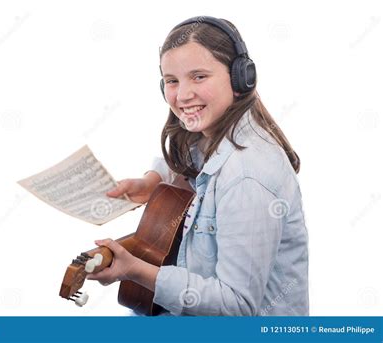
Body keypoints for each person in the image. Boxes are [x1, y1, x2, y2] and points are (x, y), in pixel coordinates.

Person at [86, 16, 309, 316]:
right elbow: (194, 158)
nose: (183, 95)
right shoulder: (212, 134)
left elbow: (236, 306)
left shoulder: (248, 175)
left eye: (199, 77)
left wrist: (136, 271)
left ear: (241, 78)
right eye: (172, 81)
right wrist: (154, 180)